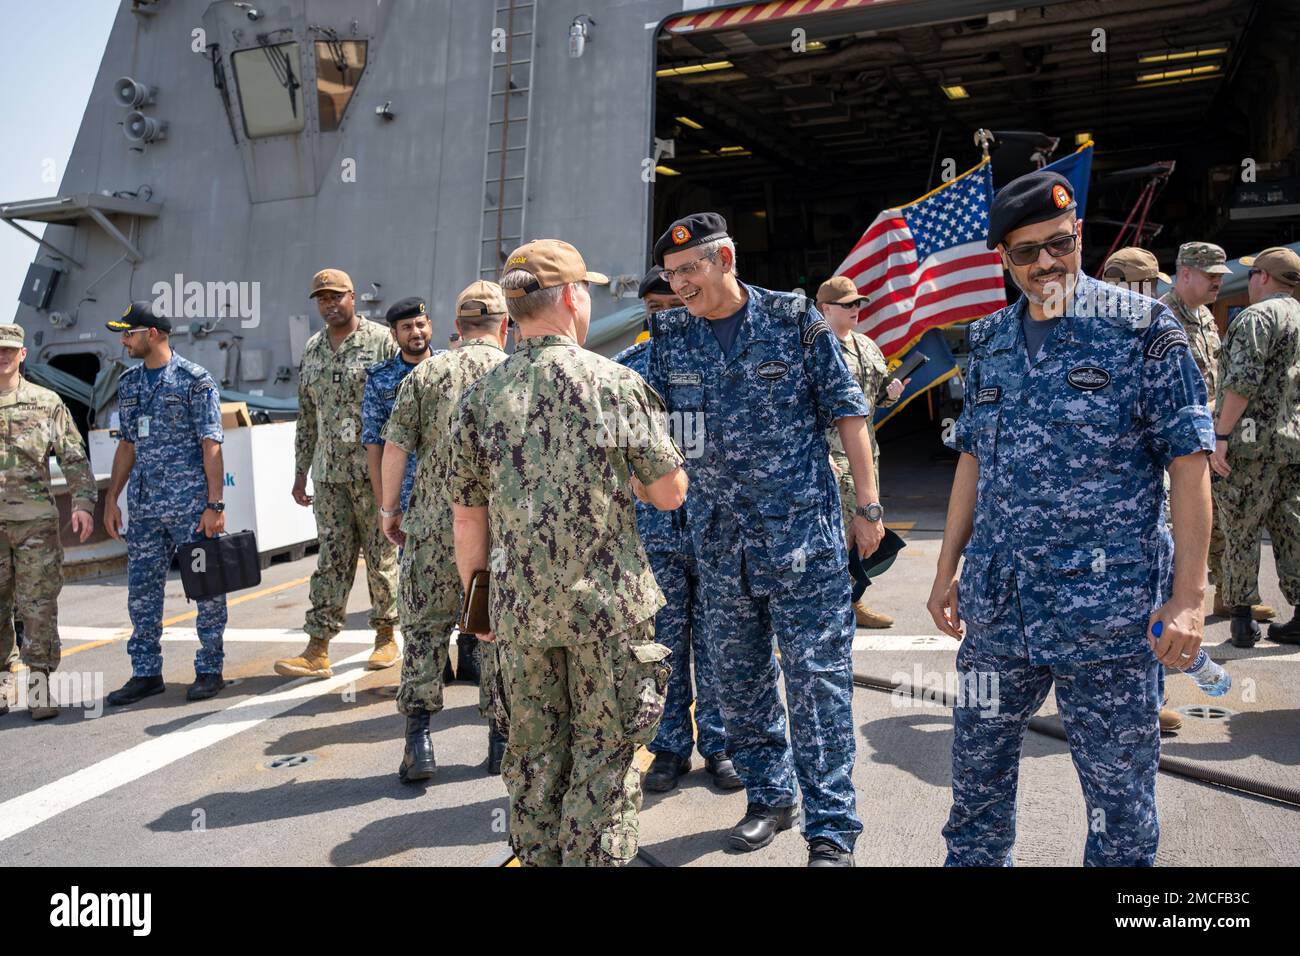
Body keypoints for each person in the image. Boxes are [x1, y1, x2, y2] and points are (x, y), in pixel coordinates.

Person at [926, 170, 1215, 866]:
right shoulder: (990, 337)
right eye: (1026, 252)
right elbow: (972, 458)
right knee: (975, 789)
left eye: (1058, 243)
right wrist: (946, 571)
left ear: (1078, 234)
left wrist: (1188, 598)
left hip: (1107, 613)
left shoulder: (1143, 329)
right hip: (1000, 607)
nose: (1045, 263)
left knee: (1120, 809)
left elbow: (1189, 464)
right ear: (1004, 258)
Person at [646, 213, 883, 867]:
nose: (682, 284)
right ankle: (770, 799)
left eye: (691, 269)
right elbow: (660, 431)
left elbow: (847, 411)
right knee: (741, 684)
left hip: (800, 537)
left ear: (725, 260)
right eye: (673, 275)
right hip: (719, 545)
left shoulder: (792, 318)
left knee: (817, 683)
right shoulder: (670, 337)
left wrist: (868, 505)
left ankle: (833, 826)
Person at [449, 239, 688, 866]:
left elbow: (467, 514)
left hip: (516, 614)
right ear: (576, 297)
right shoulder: (614, 385)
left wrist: (481, 603)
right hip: (607, 613)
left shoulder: (478, 396)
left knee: (532, 761)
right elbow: (668, 493)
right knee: (604, 760)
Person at [613, 268, 739, 793]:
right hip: (656, 532)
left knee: (718, 641)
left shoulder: (726, 361)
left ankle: (720, 744)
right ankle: (667, 748)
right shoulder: (626, 372)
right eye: (654, 308)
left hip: (715, 528)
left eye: (672, 305)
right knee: (662, 644)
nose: (664, 315)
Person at [380, 281, 511, 782]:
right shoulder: (513, 372)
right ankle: (500, 742)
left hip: (434, 528)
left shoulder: (427, 372)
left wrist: (389, 511)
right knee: (497, 631)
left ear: (457, 328)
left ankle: (419, 742)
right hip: (497, 531)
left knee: (423, 630)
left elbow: (396, 448)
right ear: (504, 325)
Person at [103, 302, 230, 705]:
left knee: (206, 588)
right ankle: (145, 672)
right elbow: (127, 444)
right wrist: (112, 499)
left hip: (191, 507)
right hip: (144, 509)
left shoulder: (195, 381)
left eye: (129, 333)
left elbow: (211, 445)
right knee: (141, 591)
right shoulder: (129, 384)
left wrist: (215, 504)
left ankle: (210, 667)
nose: (124, 340)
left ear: (153, 334)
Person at [276, 269, 399, 679]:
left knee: (381, 557)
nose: (329, 305)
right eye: (322, 299)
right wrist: (300, 472)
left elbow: (399, 407)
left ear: (353, 297)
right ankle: (318, 648)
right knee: (332, 560)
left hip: (373, 473)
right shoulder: (312, 349)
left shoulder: (382, 341)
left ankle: (386, 637)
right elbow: (307, 417)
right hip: (328, 477)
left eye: (336, 297)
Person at [1161, 242, 1274, 622]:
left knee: (1223, 518)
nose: (1217, 283)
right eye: (1210, 276)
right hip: (1181, 441)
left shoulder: (1206, 318)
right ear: (1185, 274)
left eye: (1219, 276)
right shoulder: (1163, 318)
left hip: (1210, 434)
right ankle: (1174, 604)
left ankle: (1229, 594)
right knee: (1182, 525)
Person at [1101, 248, 1188, 736]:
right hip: (1099, 512)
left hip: (1148, 506)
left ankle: (1151, 698)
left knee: (1155, 597)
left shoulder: (1157, 332)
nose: (1152, 293)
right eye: (1144, 285)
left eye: (1156, 284)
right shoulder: (1084, 334)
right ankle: (1130, 702)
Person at [0, 324, 96, 719]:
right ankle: (5, 681)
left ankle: (39, 687)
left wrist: (84, 502)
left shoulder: (46, 402)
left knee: (38, 606)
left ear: (23, 354)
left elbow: (73, 455)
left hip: (34, 525)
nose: (2, 356)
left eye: (9, 350)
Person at [1210, 246, 1300, 647]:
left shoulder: (1256, 318)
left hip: (1250, 447)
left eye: (1250, 275)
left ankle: (1243, 621)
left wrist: (1222, 437)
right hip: (1292, 444)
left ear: (1263, 276)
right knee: (1292, 528)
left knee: (1241, 529)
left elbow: (1241, 383)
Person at [816, 275, 906, 629]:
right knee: (834, 535)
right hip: (831, 457)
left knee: (863, 532)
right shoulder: (815, 348)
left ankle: (853, 600)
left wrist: (892, 393)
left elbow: (876, 395)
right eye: (848, 304)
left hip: (867, 453)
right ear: (825, 309)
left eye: (858, 304)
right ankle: (827, 610)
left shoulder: (867, 346)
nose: (856, 310)